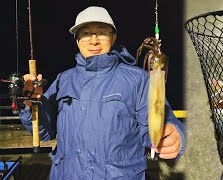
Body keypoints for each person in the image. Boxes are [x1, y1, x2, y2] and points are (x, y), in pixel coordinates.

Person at [20, 6, 185, 180]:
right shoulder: (63, 79)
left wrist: (176, 135)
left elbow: (163, 121)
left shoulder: (138, 79)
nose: (94, 41)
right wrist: (32, 103)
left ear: (113, 38)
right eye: (85, 34)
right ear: (77, 41)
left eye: (101, 33)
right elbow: (45, 131)